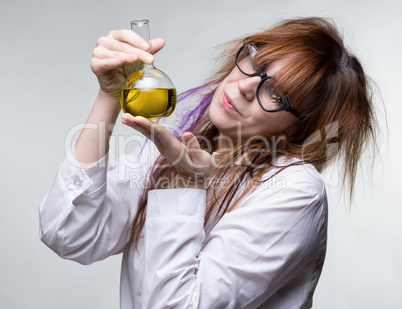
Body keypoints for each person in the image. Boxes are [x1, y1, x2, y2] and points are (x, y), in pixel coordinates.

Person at [39, 17, 376, 308]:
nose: (244, 86)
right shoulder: (180, 145)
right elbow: (69, 234)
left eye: (276, 94)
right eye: (256, 65)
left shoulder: (296, 191)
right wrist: (109, 95)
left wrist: (185, 181)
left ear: (300, 127)